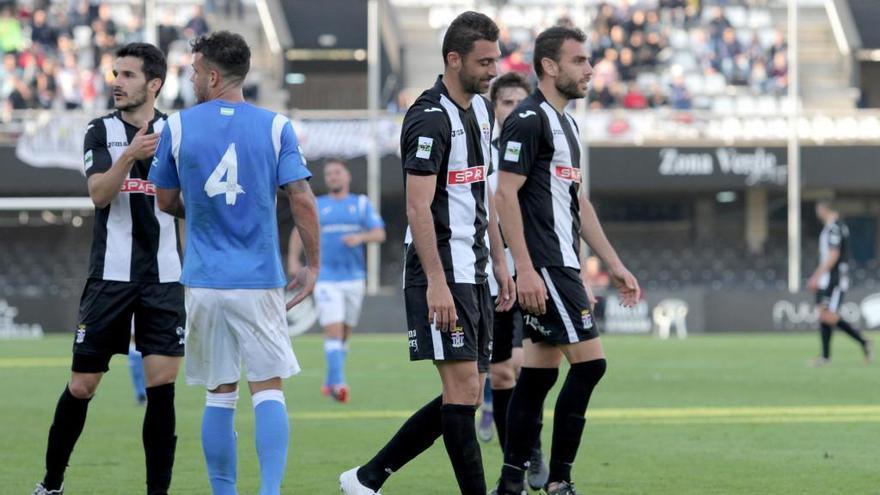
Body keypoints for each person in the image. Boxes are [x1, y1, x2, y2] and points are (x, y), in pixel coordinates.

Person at [339, 11, 514, 495]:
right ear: (453, 59)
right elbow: (418, 209)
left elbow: (481, 196)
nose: (493, 70)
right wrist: (437, 283)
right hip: (439, 271)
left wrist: (499, 262)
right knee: (461, 391)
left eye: (495, 59)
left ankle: (367, 478)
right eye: (484, 61)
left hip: (475, 270)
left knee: (469, 393)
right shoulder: (428, 116)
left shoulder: (479, 110)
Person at [149, 31, 320, 495]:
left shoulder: (176, 128)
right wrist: (313, 265)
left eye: (193, 69)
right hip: (258, 278)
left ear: (213, 74)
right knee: (267, 387)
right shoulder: (275, 126)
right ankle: (269, 492)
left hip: (203, 280)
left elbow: (165, 201)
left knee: (219, 394)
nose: (190, 76)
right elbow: (301, 198)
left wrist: (204, 210)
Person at [493, 26, 641, 495]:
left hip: (564, 265)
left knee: (536, 378)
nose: (590, 69)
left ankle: (511, 481)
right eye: (579, 60)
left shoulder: (568, 124)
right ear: (549, 67)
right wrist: (526, 268)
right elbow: (504, 195)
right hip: (547, 266)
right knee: (591, 365)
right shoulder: (528, 119)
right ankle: (559, 481)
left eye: (588, 60)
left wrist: (613, 263)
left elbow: (579, 204)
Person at [32, 42, 183, 495]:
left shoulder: (178, 132)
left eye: (129, 74)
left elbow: (188, 202)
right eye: (115, 73)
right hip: (109, 278)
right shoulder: (99, 131)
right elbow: (99, 194)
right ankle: (51, 483)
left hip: (164, 279)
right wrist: (129, 155)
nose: (116, 81)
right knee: (81, 386)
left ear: (154, 84)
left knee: (162, 388)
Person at [476, 71, 551, 491]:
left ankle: (532, 445)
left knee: (532, 367)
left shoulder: (543, 150)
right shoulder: (481, 154)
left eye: (521, 102)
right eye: (506, 102)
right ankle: (514, 469)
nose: (515, 110)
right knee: (502, 373)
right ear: (495, 108)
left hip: (537, 274)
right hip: (493, 277)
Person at [288, 159, 386, 403]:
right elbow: (298, 231)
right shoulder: (318, 205)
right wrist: (293, 260)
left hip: (354, 279)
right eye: (328, 174)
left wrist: (360, 237)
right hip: (327, 278)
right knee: (333, 331)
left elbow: (380, 233)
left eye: (337, 172)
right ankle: (339, 385)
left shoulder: (361, 204)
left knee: (344, 334)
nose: (332, 177)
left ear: (347, 176)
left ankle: (329, 382)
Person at [807, 199, 873, 366]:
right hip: (827, 278)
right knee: (824, 314)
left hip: (834, 278)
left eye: (818, 209)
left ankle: (862, 340)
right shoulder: (833, 227)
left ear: (823, 209)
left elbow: (834, 255)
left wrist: (816, 275)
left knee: (828, 315)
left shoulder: (835, 227)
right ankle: (825, 357)